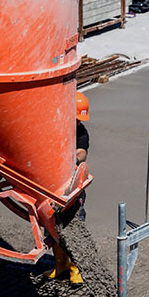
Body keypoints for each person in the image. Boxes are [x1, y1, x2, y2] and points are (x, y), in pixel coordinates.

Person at [46, 91, 89, 287]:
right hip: (53, 187)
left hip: (72, 187)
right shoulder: (54, 127)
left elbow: (82, 151)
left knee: (74, 228)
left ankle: (76, 270)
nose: (79, 122)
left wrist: (74, 160)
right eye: (77, 118)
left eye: (81, 119)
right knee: (53, 227)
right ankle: (60, 266)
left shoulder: (81, 132)